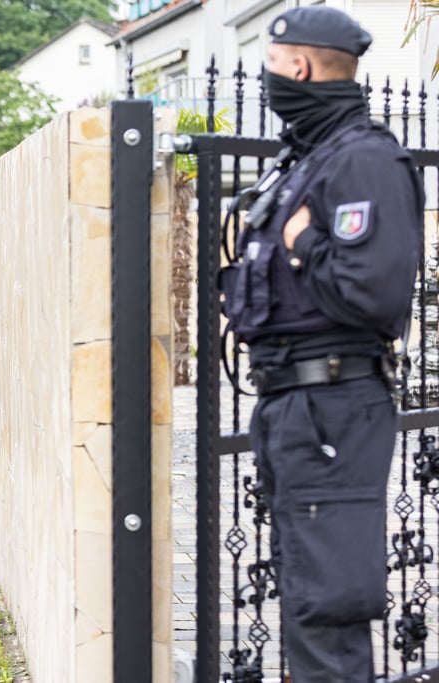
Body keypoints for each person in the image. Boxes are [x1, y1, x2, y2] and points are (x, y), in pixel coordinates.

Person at [220, 7, 423, 681]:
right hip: (297, 401)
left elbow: (376, 292)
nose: (270, 82)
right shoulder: (309, 160)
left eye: (273, 67)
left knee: (327, 608)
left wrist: (303, 241)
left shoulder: (362, 160)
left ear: (299, 68)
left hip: (332, 402)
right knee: (308, 596)